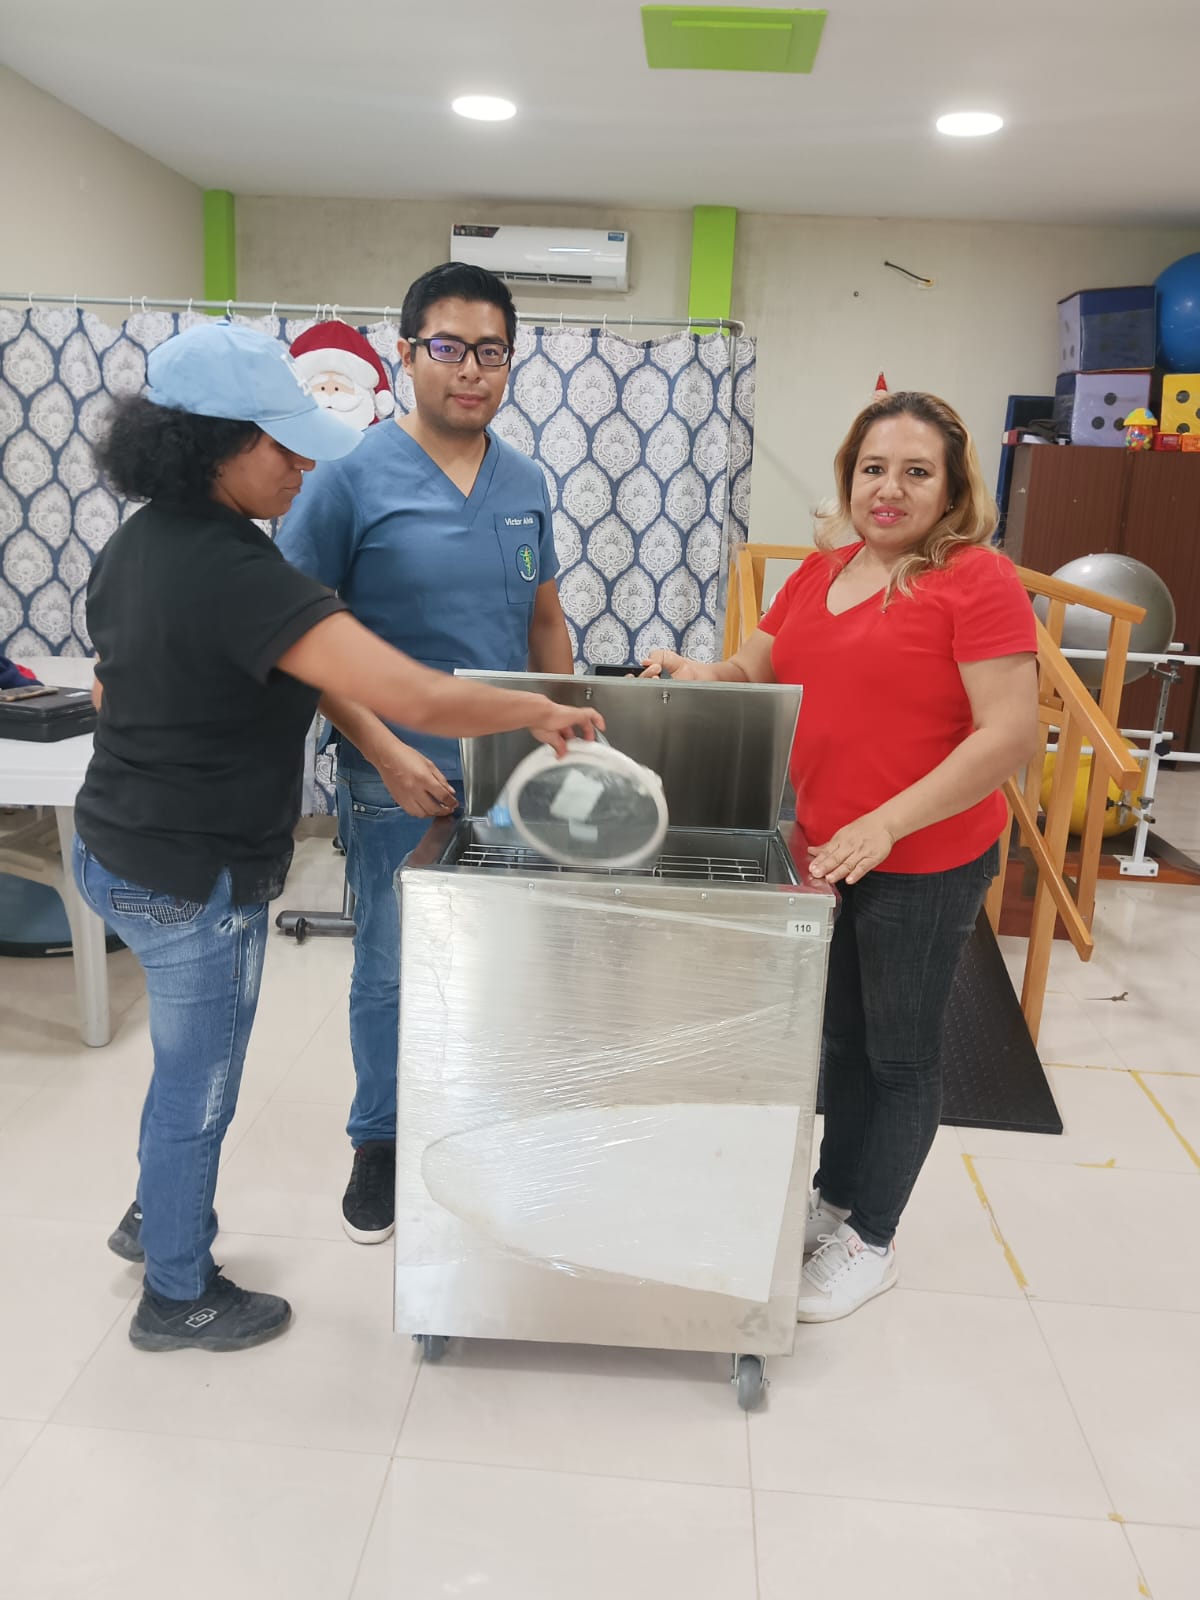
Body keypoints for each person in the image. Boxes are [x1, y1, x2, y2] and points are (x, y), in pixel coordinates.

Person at [78, 320, 601, 1352]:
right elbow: (414, 692)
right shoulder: (241, 574)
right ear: (211, 445)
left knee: (183, 1072)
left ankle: (157, 1211)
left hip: (115, 845)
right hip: (193, 873)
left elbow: (115, 687)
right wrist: (539, 710)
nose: (304, 464)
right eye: (281, 445)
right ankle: (176, 1292)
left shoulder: (139, 544)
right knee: (199, 1086)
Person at [644, 391, 1038, 1323]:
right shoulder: (819, 573)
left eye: (915, 472)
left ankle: (876, 1240)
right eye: (873, 469)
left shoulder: (976, 580)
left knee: (900, 1053)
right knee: (842, 1042)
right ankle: (838, 1196)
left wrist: (888, 823)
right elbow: (753, 673)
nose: (889, 489)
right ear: (848, 479)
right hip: (826, 849)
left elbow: (1009, 734)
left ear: (953, 490)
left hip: (922, 857)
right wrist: (701, 674)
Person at [277, 263, 574, 1245]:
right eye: (448, 347)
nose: (471, 370)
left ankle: (474, 1116)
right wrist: (382, 748)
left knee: (504, 961)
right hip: (392, 776)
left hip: (511, 776)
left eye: (492, 351)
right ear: (406, 354)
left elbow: (544, 621)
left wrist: (566, 730)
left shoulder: (524, 481)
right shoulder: (348, 478)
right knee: (392, 966)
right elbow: (295, 635)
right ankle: (380, 1138)